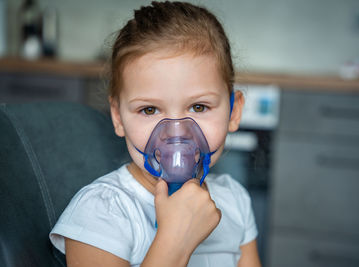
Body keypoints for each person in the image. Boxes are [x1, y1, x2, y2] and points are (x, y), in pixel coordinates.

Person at [49, 1, 261, 266]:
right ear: (118, 117)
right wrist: (176, 239)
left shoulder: (234, 201)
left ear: (233, 112)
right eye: (149, 110)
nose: (176, 134)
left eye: (198, 107)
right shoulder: (102, 214)